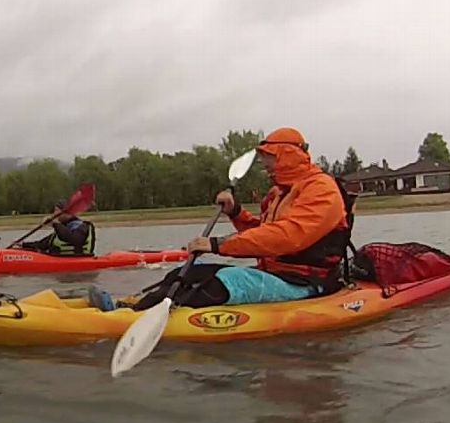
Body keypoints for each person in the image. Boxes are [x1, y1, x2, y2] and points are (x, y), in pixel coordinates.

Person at [125, 127, 354, 311]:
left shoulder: (322, 189)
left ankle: (135, 315)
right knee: (184, 273)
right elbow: (262, 232)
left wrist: (217, 245)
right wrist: (235, 212)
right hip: (275, 274)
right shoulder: (279, 193)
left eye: (268, 158)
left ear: (287, 156)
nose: (263, 164)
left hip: (305, 284)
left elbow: (287, 237)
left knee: (213, 285)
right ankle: (133, 305)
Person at [19, 200, 96, 257]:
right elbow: (42, 245)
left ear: (67, 213)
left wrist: (56, 223)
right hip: (58, 258)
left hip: (77, 259)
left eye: (56, 210)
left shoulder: (81, 226)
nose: (54, 214)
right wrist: (22, 245)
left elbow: (74, 239)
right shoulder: (62, 228)